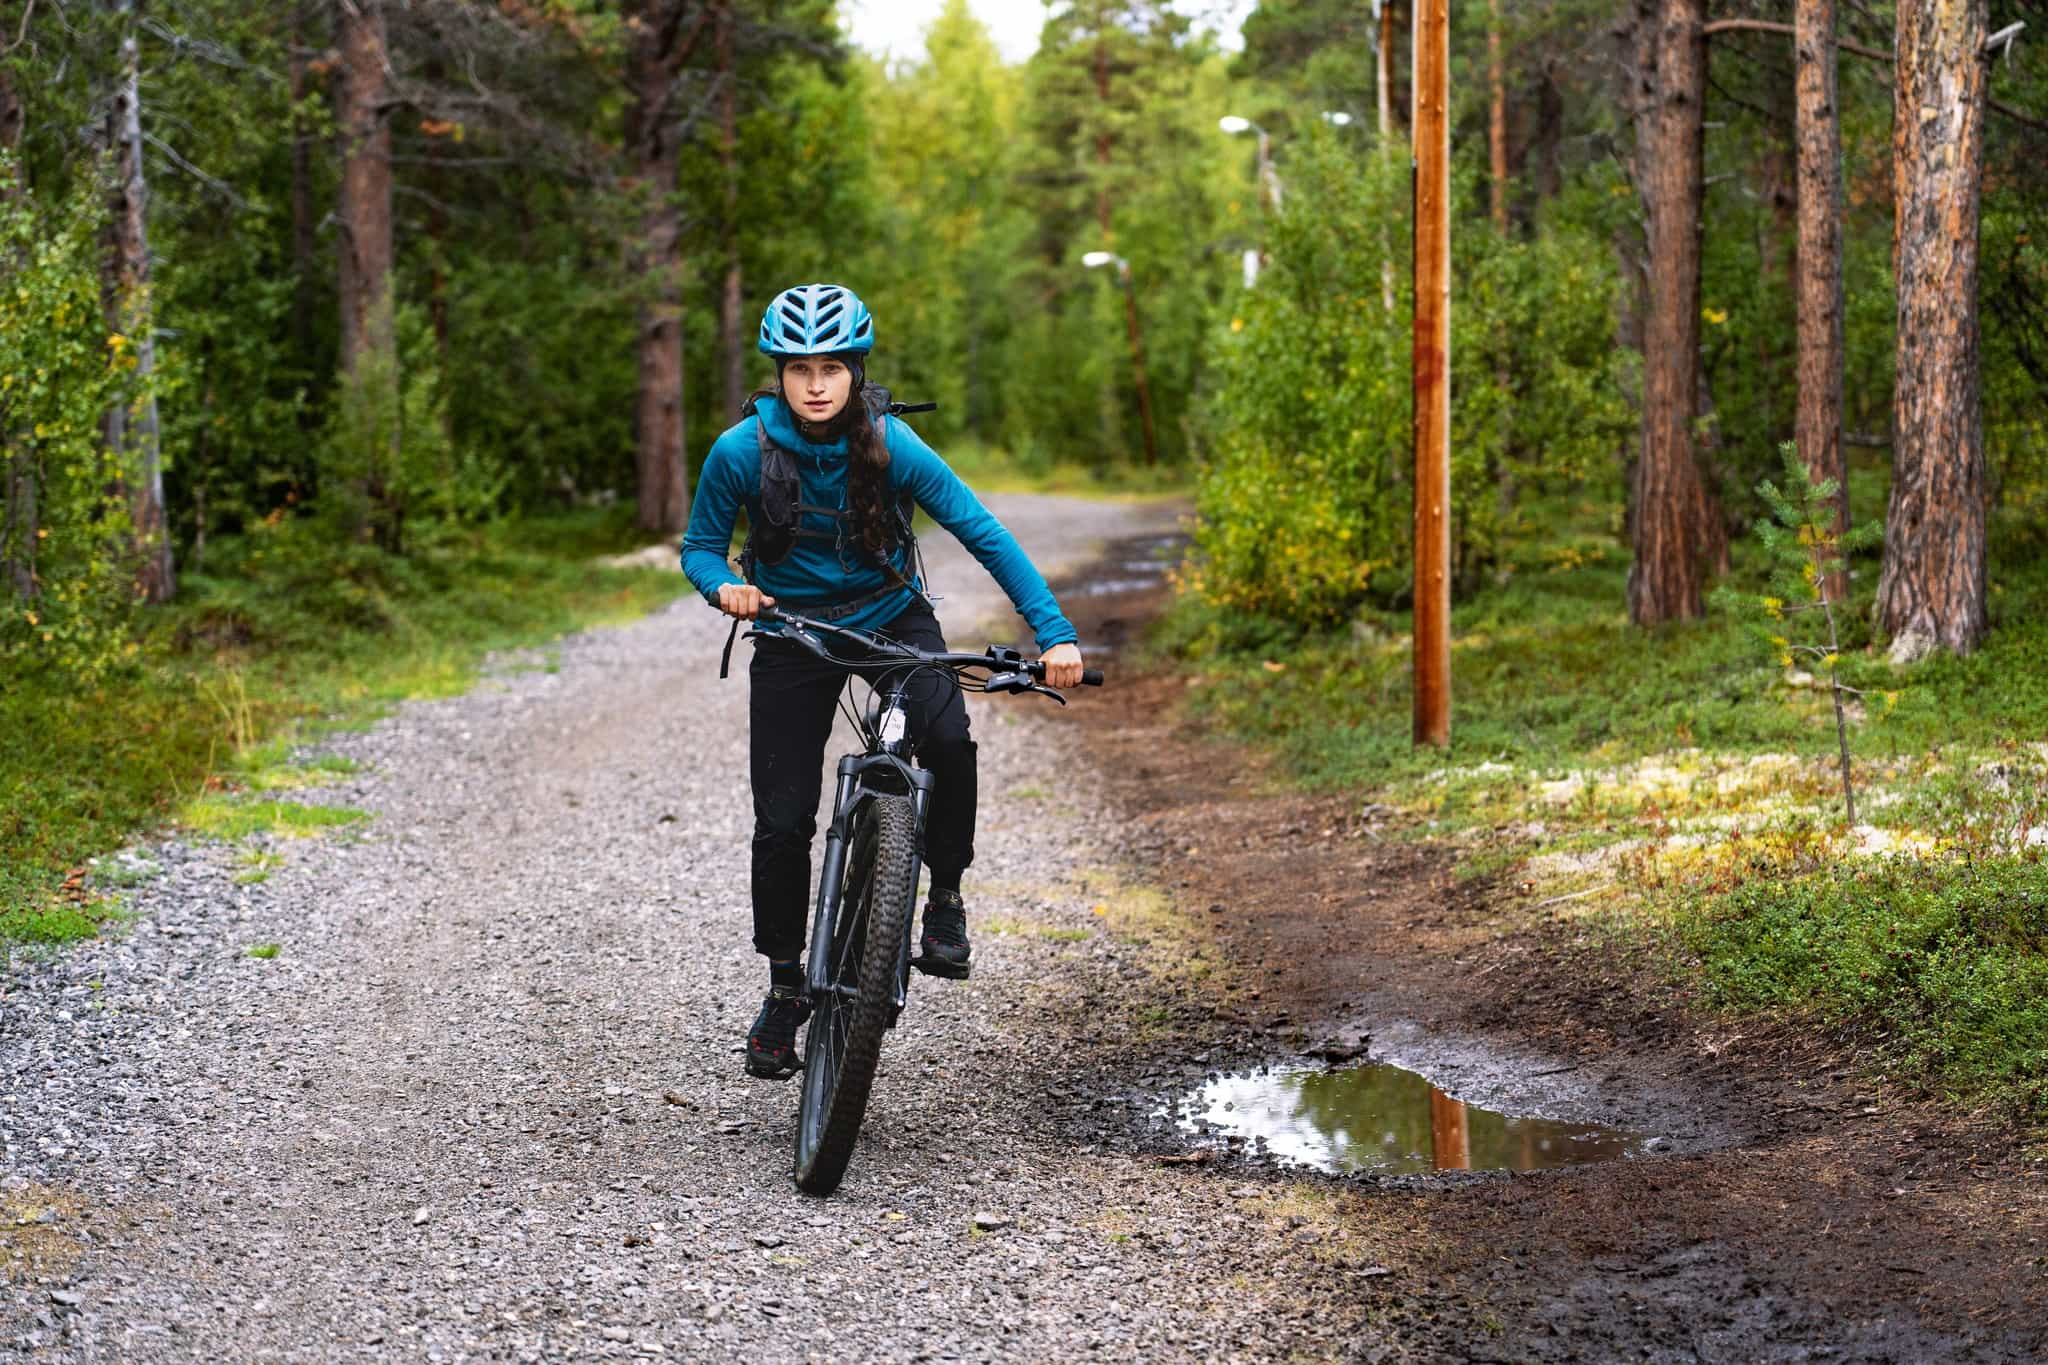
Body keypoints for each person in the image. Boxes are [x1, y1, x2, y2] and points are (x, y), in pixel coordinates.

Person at [681, 283, 1086, 1080]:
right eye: (801, 369)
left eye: (834, 367)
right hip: (792, 629)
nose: (818, 384)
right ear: (779, 376)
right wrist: (721, 584)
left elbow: (981, 529)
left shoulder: (892, 443)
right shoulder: (738, 452)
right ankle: (785, 985)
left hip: (890, 618)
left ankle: (943, 899)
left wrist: (1055, 631)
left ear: (857, 371)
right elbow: (699, 545)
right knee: (783, 820)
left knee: (949, 738)